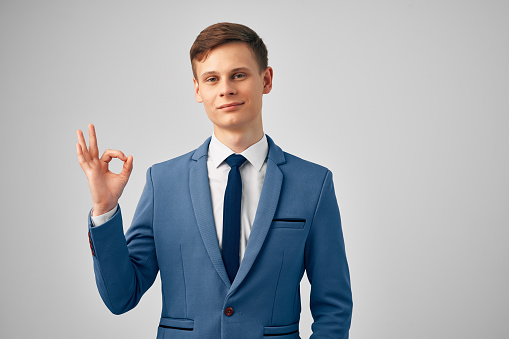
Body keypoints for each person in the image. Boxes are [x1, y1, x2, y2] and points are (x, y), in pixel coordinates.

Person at [76, 22, 353, 339]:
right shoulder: (163, 182)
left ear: (266, 79)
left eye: (239, 75)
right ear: (198, 90)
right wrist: (104, 208)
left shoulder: (313, 184)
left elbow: (334, 305)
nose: (226, 89)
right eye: (212, 79)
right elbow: (120, 297)